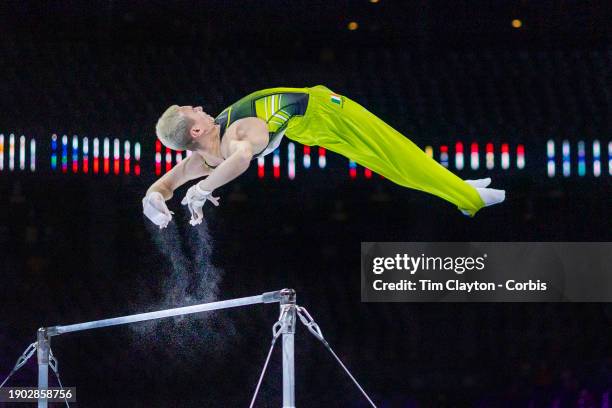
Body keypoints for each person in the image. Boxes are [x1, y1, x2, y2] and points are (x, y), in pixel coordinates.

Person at [143, 85, 505, 228]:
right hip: (308, 129)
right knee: (390, 167)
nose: (204, 108)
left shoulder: (239, 131)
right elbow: (168, 182)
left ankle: (466, 195)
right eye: (196, 111)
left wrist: (204, 189)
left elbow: (242, 160)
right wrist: (153, 198)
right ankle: (459, 190)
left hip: (328, 111)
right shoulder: (204, 157)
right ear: (196, 133)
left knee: (395, 156)